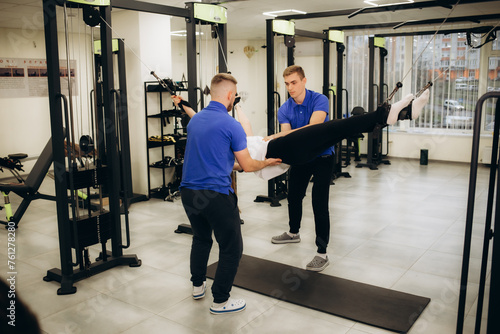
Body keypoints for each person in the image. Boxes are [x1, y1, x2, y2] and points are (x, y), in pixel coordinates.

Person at [173, 73, 430, 273]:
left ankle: (396, 115)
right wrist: (266, 158)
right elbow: (245, 165)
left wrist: (202, 104)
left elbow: (207, 119)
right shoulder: (227, 152)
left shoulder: (222, 127)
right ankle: (385, 115)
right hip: (276, 151)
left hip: (284, 151)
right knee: (331, 129)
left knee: (334, 131)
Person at [179, 73, 282, 315]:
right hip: (216, 195)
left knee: (201, 238)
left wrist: (247, 163)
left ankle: (197, 286)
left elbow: (216, 160)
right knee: (232, 248)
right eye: (234, 95)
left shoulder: (194, 121)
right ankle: (221, 301)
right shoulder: (231, 125)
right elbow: (247, 165)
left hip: (188, 193)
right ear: (229, 95)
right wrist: (265, 163)